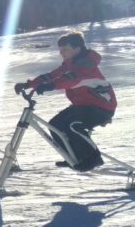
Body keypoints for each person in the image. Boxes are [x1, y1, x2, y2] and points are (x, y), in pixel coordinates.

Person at [13, 31, 116, 171]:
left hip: (101, 108)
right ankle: (73, 156)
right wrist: (28, 85)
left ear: (77, 48)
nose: (61, 53)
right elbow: (51, 75)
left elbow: (71, 78)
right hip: (84, 106)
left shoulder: (86, 65)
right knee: (55, 125)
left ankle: (94, 158)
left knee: (72, 126)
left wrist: (52, 85)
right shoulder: (70, 64)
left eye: (65, 49)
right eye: (60, 50)